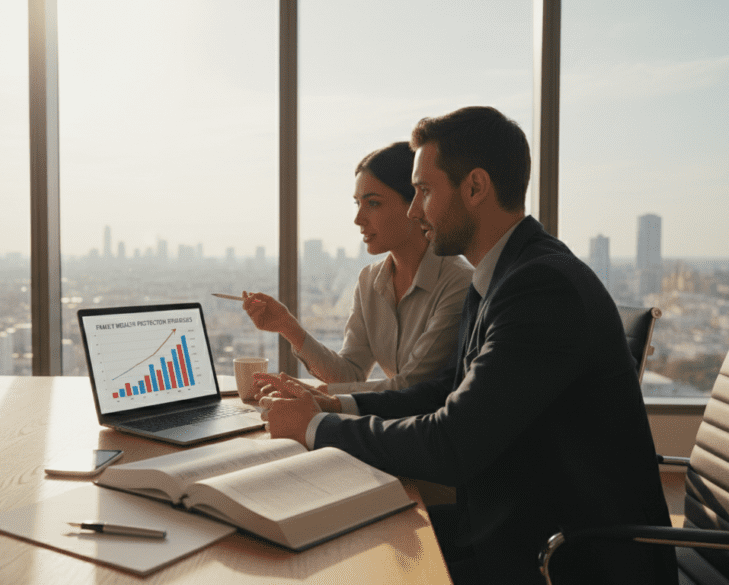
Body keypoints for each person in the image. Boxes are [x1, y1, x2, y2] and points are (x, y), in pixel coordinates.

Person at [254, 107, 677, 584]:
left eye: (424, 191)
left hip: (567, 556)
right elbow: (444, 394)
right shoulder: (500, 275)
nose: (415, 210)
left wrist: (315, 427)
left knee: (347, 561)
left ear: (475, 188)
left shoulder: (539, 287)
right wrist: (335, 405)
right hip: (516, 521)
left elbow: (453, 443)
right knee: (336, 541)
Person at [241, 141, 473, 394]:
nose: (358, 219)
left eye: (373, 203)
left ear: (415, 203)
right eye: (357, 203)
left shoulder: (458, 282)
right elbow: (349, 373)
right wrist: (288, 327)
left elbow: (413, 387)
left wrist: (317, 395)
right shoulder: (369, 280)